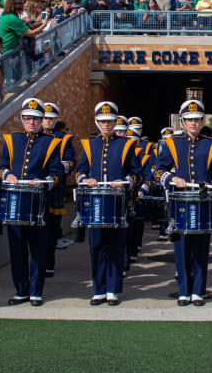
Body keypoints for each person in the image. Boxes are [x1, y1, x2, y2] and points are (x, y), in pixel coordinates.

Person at [154, 100, 212, 306]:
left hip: (203, 202)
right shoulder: (171, 143)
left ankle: (198, 291)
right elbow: (157, 170)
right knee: (182, 246)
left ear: (202, 121)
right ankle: (184, 291)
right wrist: (171, 178)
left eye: (197, 120)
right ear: (182, 122)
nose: (193, 123)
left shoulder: (211, 144)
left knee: (202, 248)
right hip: (180, 202)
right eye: (189, 120)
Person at [0, 98, 64, 307]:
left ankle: (36, 291)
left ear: (41, 119)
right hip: (15, 202)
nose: (32, 122)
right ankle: (21, 290)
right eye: (28, 118)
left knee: (37, 248)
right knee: (16, 248)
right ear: (22, 119)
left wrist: (43, 182)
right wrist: (7, 175)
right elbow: (1, 166)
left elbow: (57, 173)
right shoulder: (11, 140)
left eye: (36, 119)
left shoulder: (51, 142)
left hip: (38, 203)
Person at [75, 101, 141, 306]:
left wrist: (125, 182)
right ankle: (98, 289)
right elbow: (80, 170)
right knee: (96, 246)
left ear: (115, 122)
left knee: (115, 245)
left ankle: (112, 289)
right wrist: (84, 179)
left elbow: (136, 173)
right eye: (103, 121)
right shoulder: (88, 144)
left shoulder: (126, 144)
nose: (106, 125)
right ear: (96, 122)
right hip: (94, 203)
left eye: (110, 121)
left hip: (117, 203)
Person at [41, 103, 76, 277]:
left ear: (56, 119)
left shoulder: (63, 138)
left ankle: (48, 264)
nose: (48, 121)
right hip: (35, 187)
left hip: (54, 186)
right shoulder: (33, 136)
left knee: (52, 227)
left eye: (51, 118)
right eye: (45, 117)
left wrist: (55, 168)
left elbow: (71, 162)